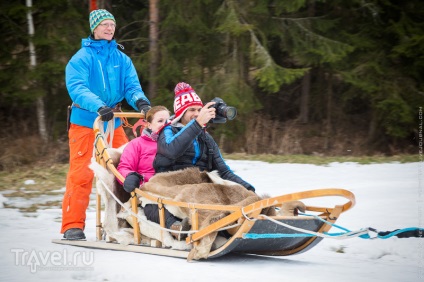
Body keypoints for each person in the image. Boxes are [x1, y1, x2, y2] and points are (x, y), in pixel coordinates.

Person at [61, 9, 151, 240]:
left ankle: (125, 220)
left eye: (112, 24)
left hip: (114, 124)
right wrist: (99, 106)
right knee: (81, 174)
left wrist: (140, 102)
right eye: (104, 25)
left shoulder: (122, 59)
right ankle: (72, 225)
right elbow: (77, 88)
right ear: (94, 28)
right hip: (86, 123)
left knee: (127, 169)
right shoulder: (80, 59)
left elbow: (131, 86)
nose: (109, 28)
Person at [143, 82, 255, 240]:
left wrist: (249, 189)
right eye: (191, 110)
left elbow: (224, 171)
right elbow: (171, 150)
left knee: (237, 193)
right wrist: (196, 124)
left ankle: (247, 219)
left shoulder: (205, 137)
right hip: (170, 184)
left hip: (201, 186)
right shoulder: (167, 131)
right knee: (152, 205)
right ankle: (180, 226)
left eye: (198, 109)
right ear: (181, 112)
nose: (196, 113)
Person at [117, 106, 170, 190]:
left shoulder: (176, 142)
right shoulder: (137, 144)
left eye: (168, 121)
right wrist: (131, 176)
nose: (165, 124)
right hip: (148, 187)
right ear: (149, 125)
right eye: (160, 121)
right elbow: (124, 168)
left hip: (172, 185)